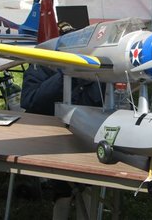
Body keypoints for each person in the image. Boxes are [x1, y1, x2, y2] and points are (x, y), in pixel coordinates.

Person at [20, 23, 105, 220]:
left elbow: (105, 103)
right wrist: (66, 75)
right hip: (51, 138)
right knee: (64, 189)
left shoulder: (96, 69)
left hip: (87, 139)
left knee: (88, 183)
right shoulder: (41, 65)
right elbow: (31, 100)